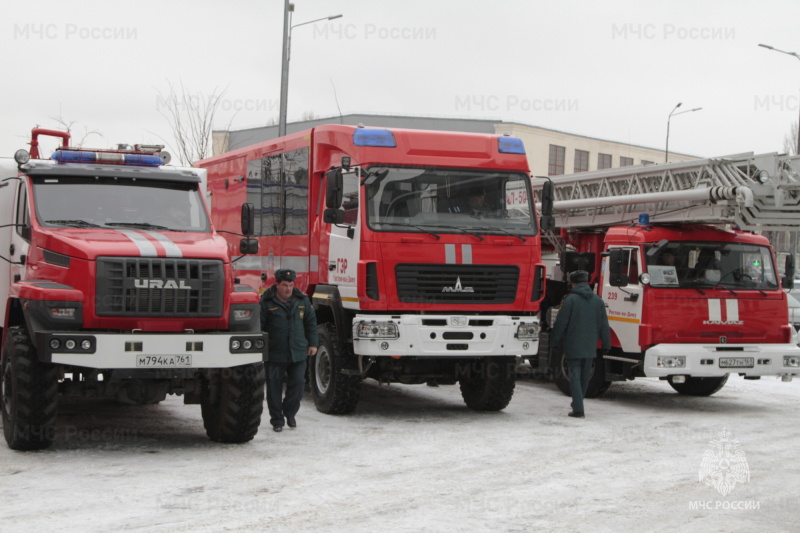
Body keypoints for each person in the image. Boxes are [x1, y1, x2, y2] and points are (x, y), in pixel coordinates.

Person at [260, 268, 319, 432]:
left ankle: (290, 413)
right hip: (275, 353)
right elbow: (260, 327)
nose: (288, 289)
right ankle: (277, 420)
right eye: (285, 285)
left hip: (298, 352)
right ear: (277, 284)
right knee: (274, 388)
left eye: (291, 285)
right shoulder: (266, 302)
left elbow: (310, 323)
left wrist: (313, 344)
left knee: (299, 385)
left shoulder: (302, 301)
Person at [550, 270, 611, 419]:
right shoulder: (598, 301)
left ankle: (578, 409)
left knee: (575, 375)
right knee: (584, 376)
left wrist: (554, 341)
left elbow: (561, 323)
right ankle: (578, 402)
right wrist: (606, 343)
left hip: (573, 343)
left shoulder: (569, 300)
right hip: (591, 345)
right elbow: (604, 325)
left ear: (573, 283)